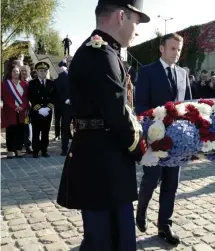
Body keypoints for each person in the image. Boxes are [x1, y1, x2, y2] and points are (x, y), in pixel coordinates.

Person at [56, 1, 150, 250]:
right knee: (108, 240)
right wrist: (142, 149)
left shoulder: (102, 51)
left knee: (108, 237)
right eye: (135, 22)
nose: (136, 30)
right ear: (121, 16)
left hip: (103, 162)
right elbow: (118, 113)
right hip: (104, 165)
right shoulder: (100, 53)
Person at [135, 32, 192, 245]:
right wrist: (152, 127)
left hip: (177, 141)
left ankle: (164, 225)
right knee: (151, 180)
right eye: (172, 48)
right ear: (162, 48)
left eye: (179, 49)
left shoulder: (183, 74)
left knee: (171, 184)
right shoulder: (147, 71)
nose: (176, 53)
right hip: (155, 138)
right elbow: (140, 105)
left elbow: (188, 106)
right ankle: (141, 212)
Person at [28, 62, 56, 158]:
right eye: (40, 71)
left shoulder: (52, 83)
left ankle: (44, 150)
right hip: (36, 112)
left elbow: (54, 97)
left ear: (47, 71)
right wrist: (39, 109)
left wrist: (48, 108)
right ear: (37, 71)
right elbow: (31, 97)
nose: (42, 73)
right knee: (36, 132)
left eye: (44, 71)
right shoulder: (31, 83)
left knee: (45, 132)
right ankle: (35, 151)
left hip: (47, 112)